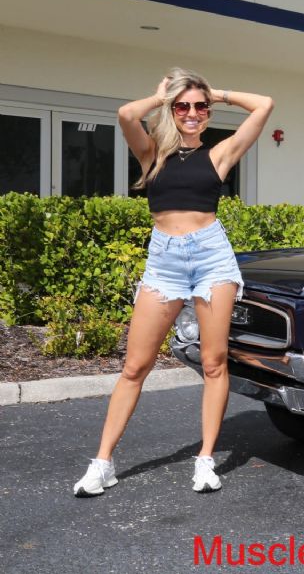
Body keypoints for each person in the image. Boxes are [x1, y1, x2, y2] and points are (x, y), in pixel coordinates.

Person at [73, 68, 273, 496]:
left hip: (211, 258)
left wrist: (216, 92)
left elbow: (264, 105)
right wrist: (161, 97)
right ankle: (102, 463)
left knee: (214, 363)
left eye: (200, 107)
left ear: (209, 111)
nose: (192, 113)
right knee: (135, 366)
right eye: (183, 106)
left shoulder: (219, 155)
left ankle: (205, 460)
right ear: (172, 109)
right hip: (164, 261)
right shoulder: (152, 154)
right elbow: (126, 114)